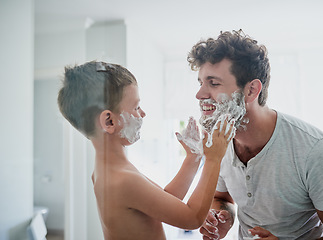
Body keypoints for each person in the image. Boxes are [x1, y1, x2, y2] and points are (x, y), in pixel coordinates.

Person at [187, 30, 323, 239]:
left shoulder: (316, 152)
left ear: (251, 90)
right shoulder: (218, 143)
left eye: (213, 83)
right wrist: (224, 216)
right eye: (200, 83)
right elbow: (222, 196)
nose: (199, 94)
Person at [57, 61, 235, 240]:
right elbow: (192, 218)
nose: (143, 113)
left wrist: (193, 158)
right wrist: (213, 159)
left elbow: (165, 199)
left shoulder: (111, 171)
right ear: (109, 122)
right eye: (136, 107)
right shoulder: (122, 180)